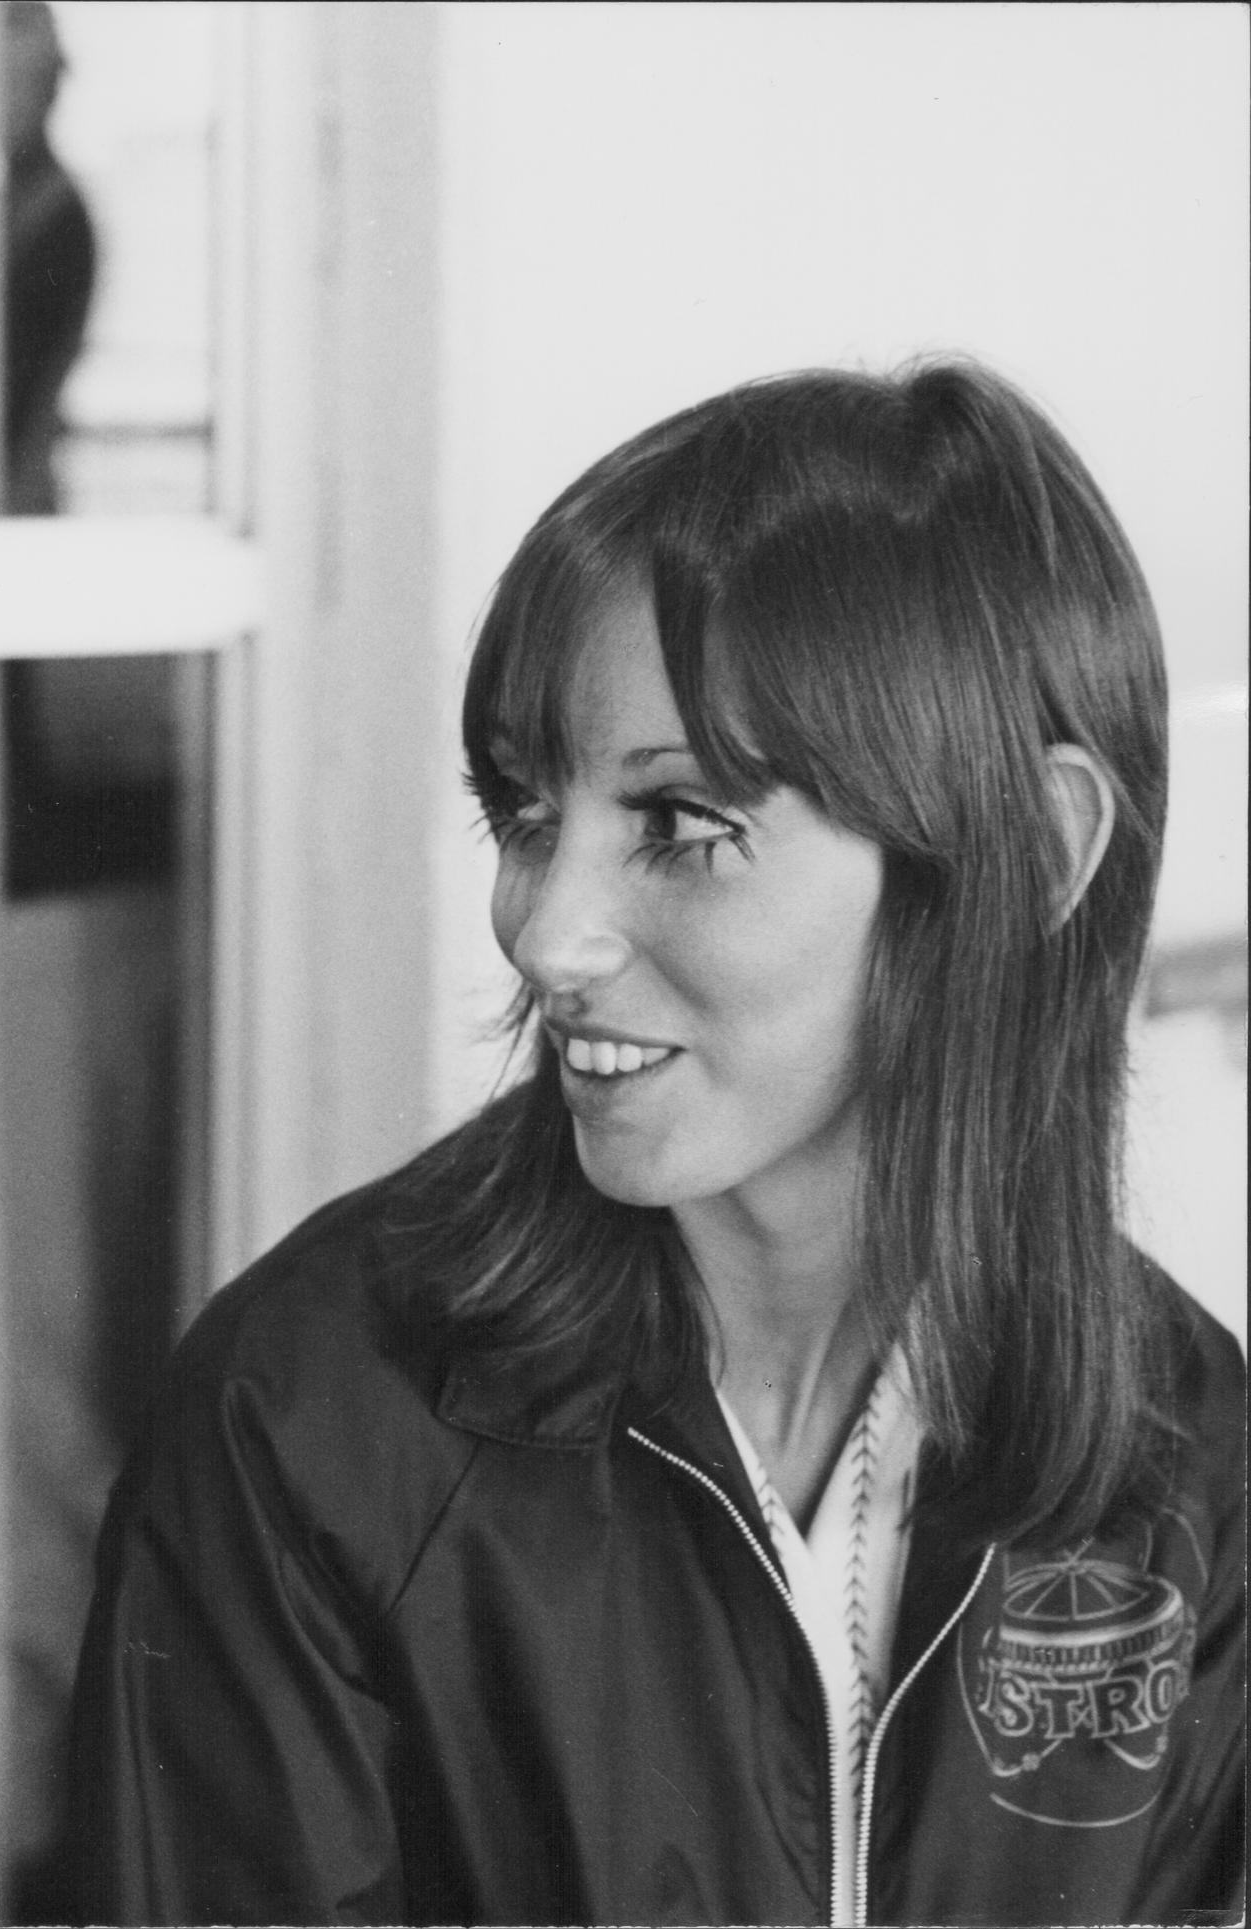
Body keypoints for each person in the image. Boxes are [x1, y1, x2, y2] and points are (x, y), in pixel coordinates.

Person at [67, 362, 1245, 1925]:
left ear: (1031, 851)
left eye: (683, 827)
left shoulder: (1193, 1462)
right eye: (526, 810)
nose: (547, 933)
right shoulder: (306, 1431)